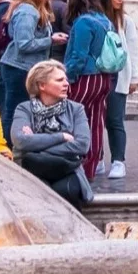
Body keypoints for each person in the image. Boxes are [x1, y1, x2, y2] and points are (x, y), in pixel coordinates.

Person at [11, 60, 92, 208]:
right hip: (32, 169)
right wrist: (61, 137)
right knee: (36, 194)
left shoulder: (76, 109)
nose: (66, 83)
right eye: (60, 80)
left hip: (67, 168)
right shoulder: (24, 109)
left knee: (65, 192)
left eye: (66, 79)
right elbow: (21, 141)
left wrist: (35, 145)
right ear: (42, 85)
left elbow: (82, 145)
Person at [0, 0, 67, 143]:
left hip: (25, 66)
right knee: (15, 109)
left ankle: (17, 144)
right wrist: (50, 40)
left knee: (20, 108)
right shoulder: (28, 12)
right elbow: (24, 43)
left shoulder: (35, 9)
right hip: (19, 67)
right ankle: (8, 146)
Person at [62, 0, 119, 182]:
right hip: (104, 77)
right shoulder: (106, 21)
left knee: (71, 118)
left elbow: (79, 54)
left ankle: (71, 165)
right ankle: (90, 168)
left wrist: (68, 77)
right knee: (96, 123)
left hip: (86, 77)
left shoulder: (83, 22)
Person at [96, 0, 138, 178]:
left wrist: (134, 77)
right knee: (95, 119)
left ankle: (118, 161)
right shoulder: (95, 19)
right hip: (97, 74)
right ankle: (97, 157)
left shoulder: (126, 21)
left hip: (118, 75)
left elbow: (133, 50)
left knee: (115, 119)